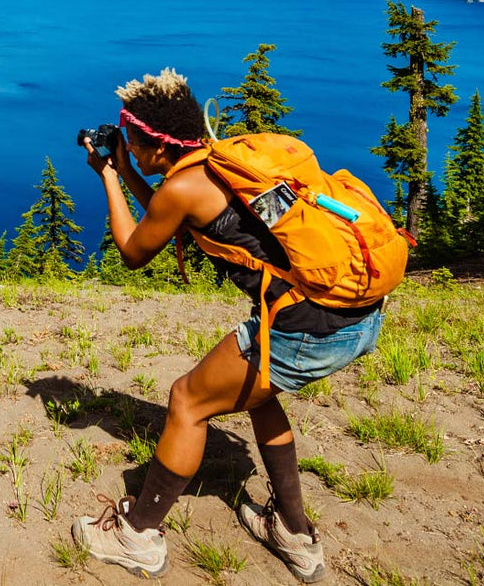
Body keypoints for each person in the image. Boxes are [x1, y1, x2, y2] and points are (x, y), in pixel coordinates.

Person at [72, 68, 384, 582]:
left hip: (309, 326)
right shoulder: (218, 163)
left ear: (157, 145)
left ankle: (137, 537)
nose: (127, 145)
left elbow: (132, 251)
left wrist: (108, 175)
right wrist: (129, 171)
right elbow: (171, 216)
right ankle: (295, 533)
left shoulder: (182, 187)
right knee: (259, 397)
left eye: (132, 139)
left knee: (187, 400)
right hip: (356, 313)